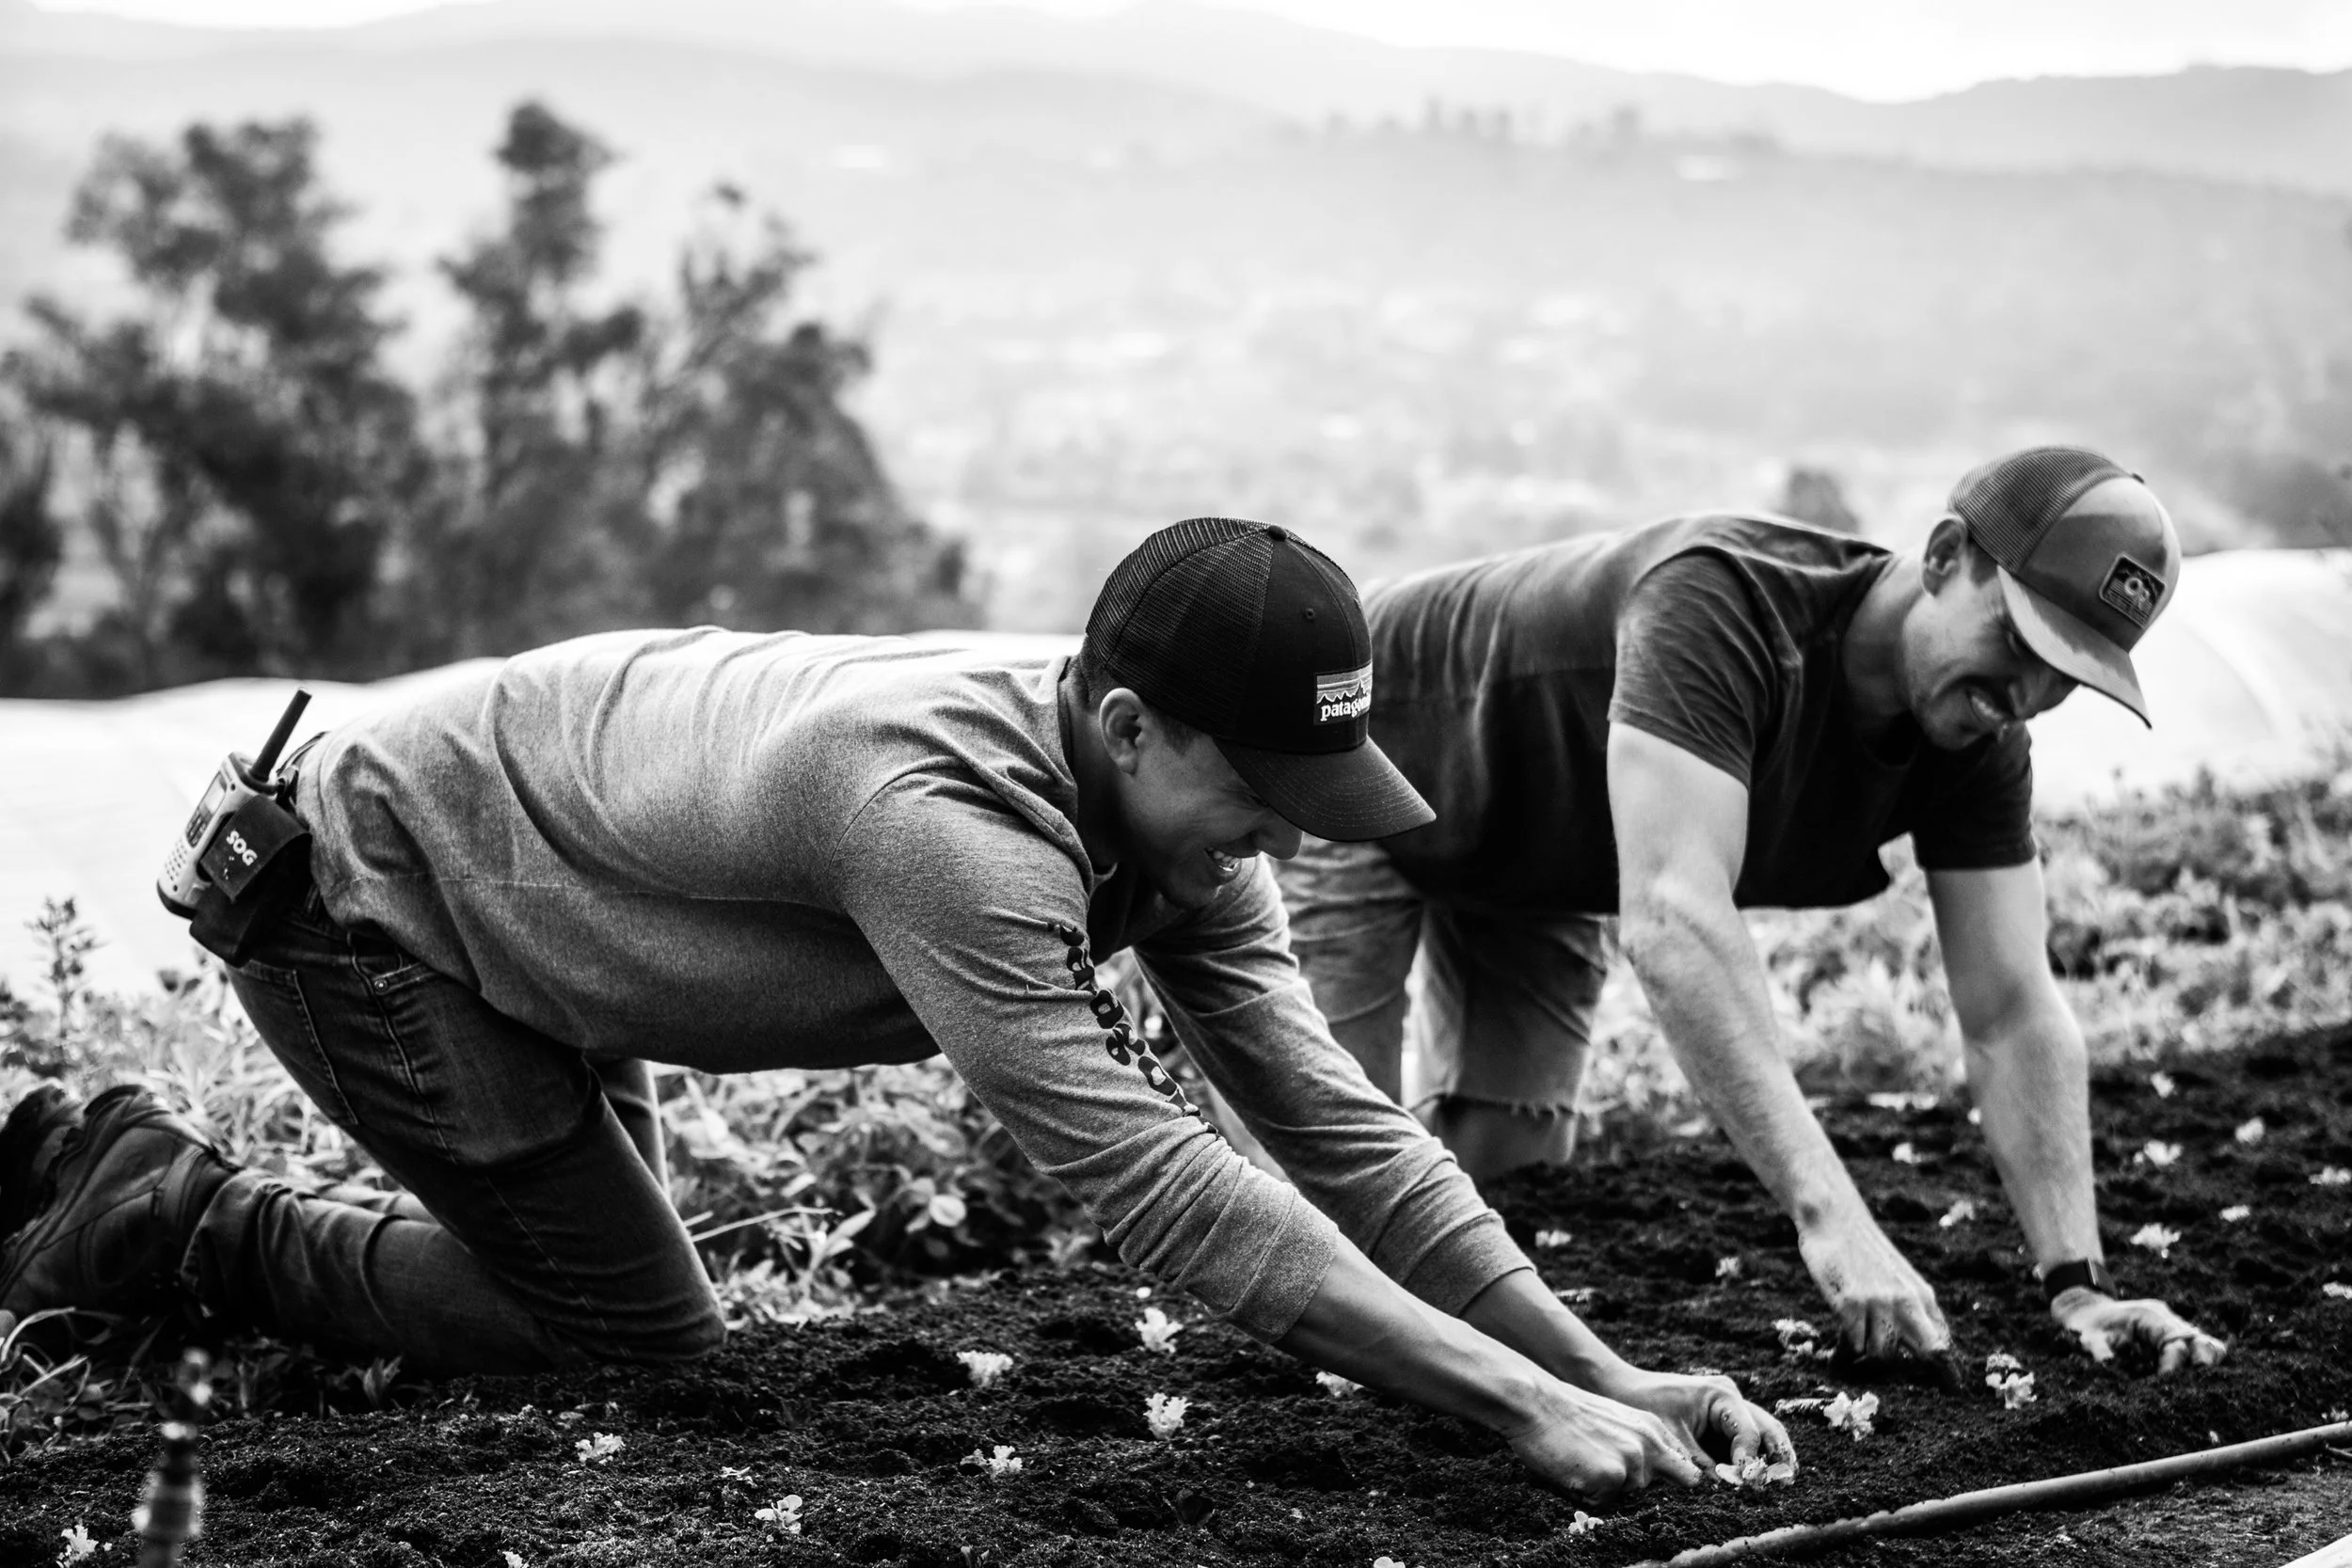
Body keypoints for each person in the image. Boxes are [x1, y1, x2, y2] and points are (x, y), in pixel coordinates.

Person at [0, 517, 1789, 1504]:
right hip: (370, 894)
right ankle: (170, 1205)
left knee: (602, 1291)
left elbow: (1334, 1125)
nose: (1282, 841)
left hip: (540, 880)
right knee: (640, 1344)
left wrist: (1601, 1369)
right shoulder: (946, 827)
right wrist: (1511, 1405)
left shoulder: (1184, 829)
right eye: (1261, 790)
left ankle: (187, 1206)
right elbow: (1163, 1186)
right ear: (1124, 727)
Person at [1275, 447, 2229, 1373]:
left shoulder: (1978, 736)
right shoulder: (1719, 605)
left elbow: (2012, 1006)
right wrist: (1833, 1218)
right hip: (1371, 756)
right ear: (1945, 556)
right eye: (2017, 641)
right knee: (1339, 1196)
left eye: (2067, 672)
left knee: (1508, 1184)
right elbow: (1674, 919)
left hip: (1541, 854)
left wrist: (2078, 1286)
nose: (2027, 694)